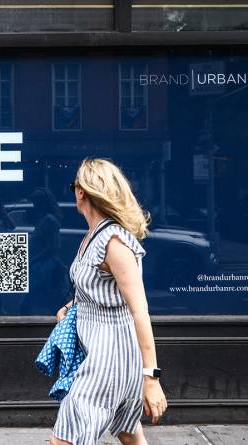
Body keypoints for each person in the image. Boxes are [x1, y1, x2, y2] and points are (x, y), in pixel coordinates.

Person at [50, 158, 167, 445]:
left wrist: (151, 377)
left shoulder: (114, 242)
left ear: (81, 191)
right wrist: (72, 307)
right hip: (98, 348)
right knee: (129, 433)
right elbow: (98, 289)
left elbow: (140, 310)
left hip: (109, 357)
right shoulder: (93, 236)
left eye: (73, 186)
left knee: (64, 440)